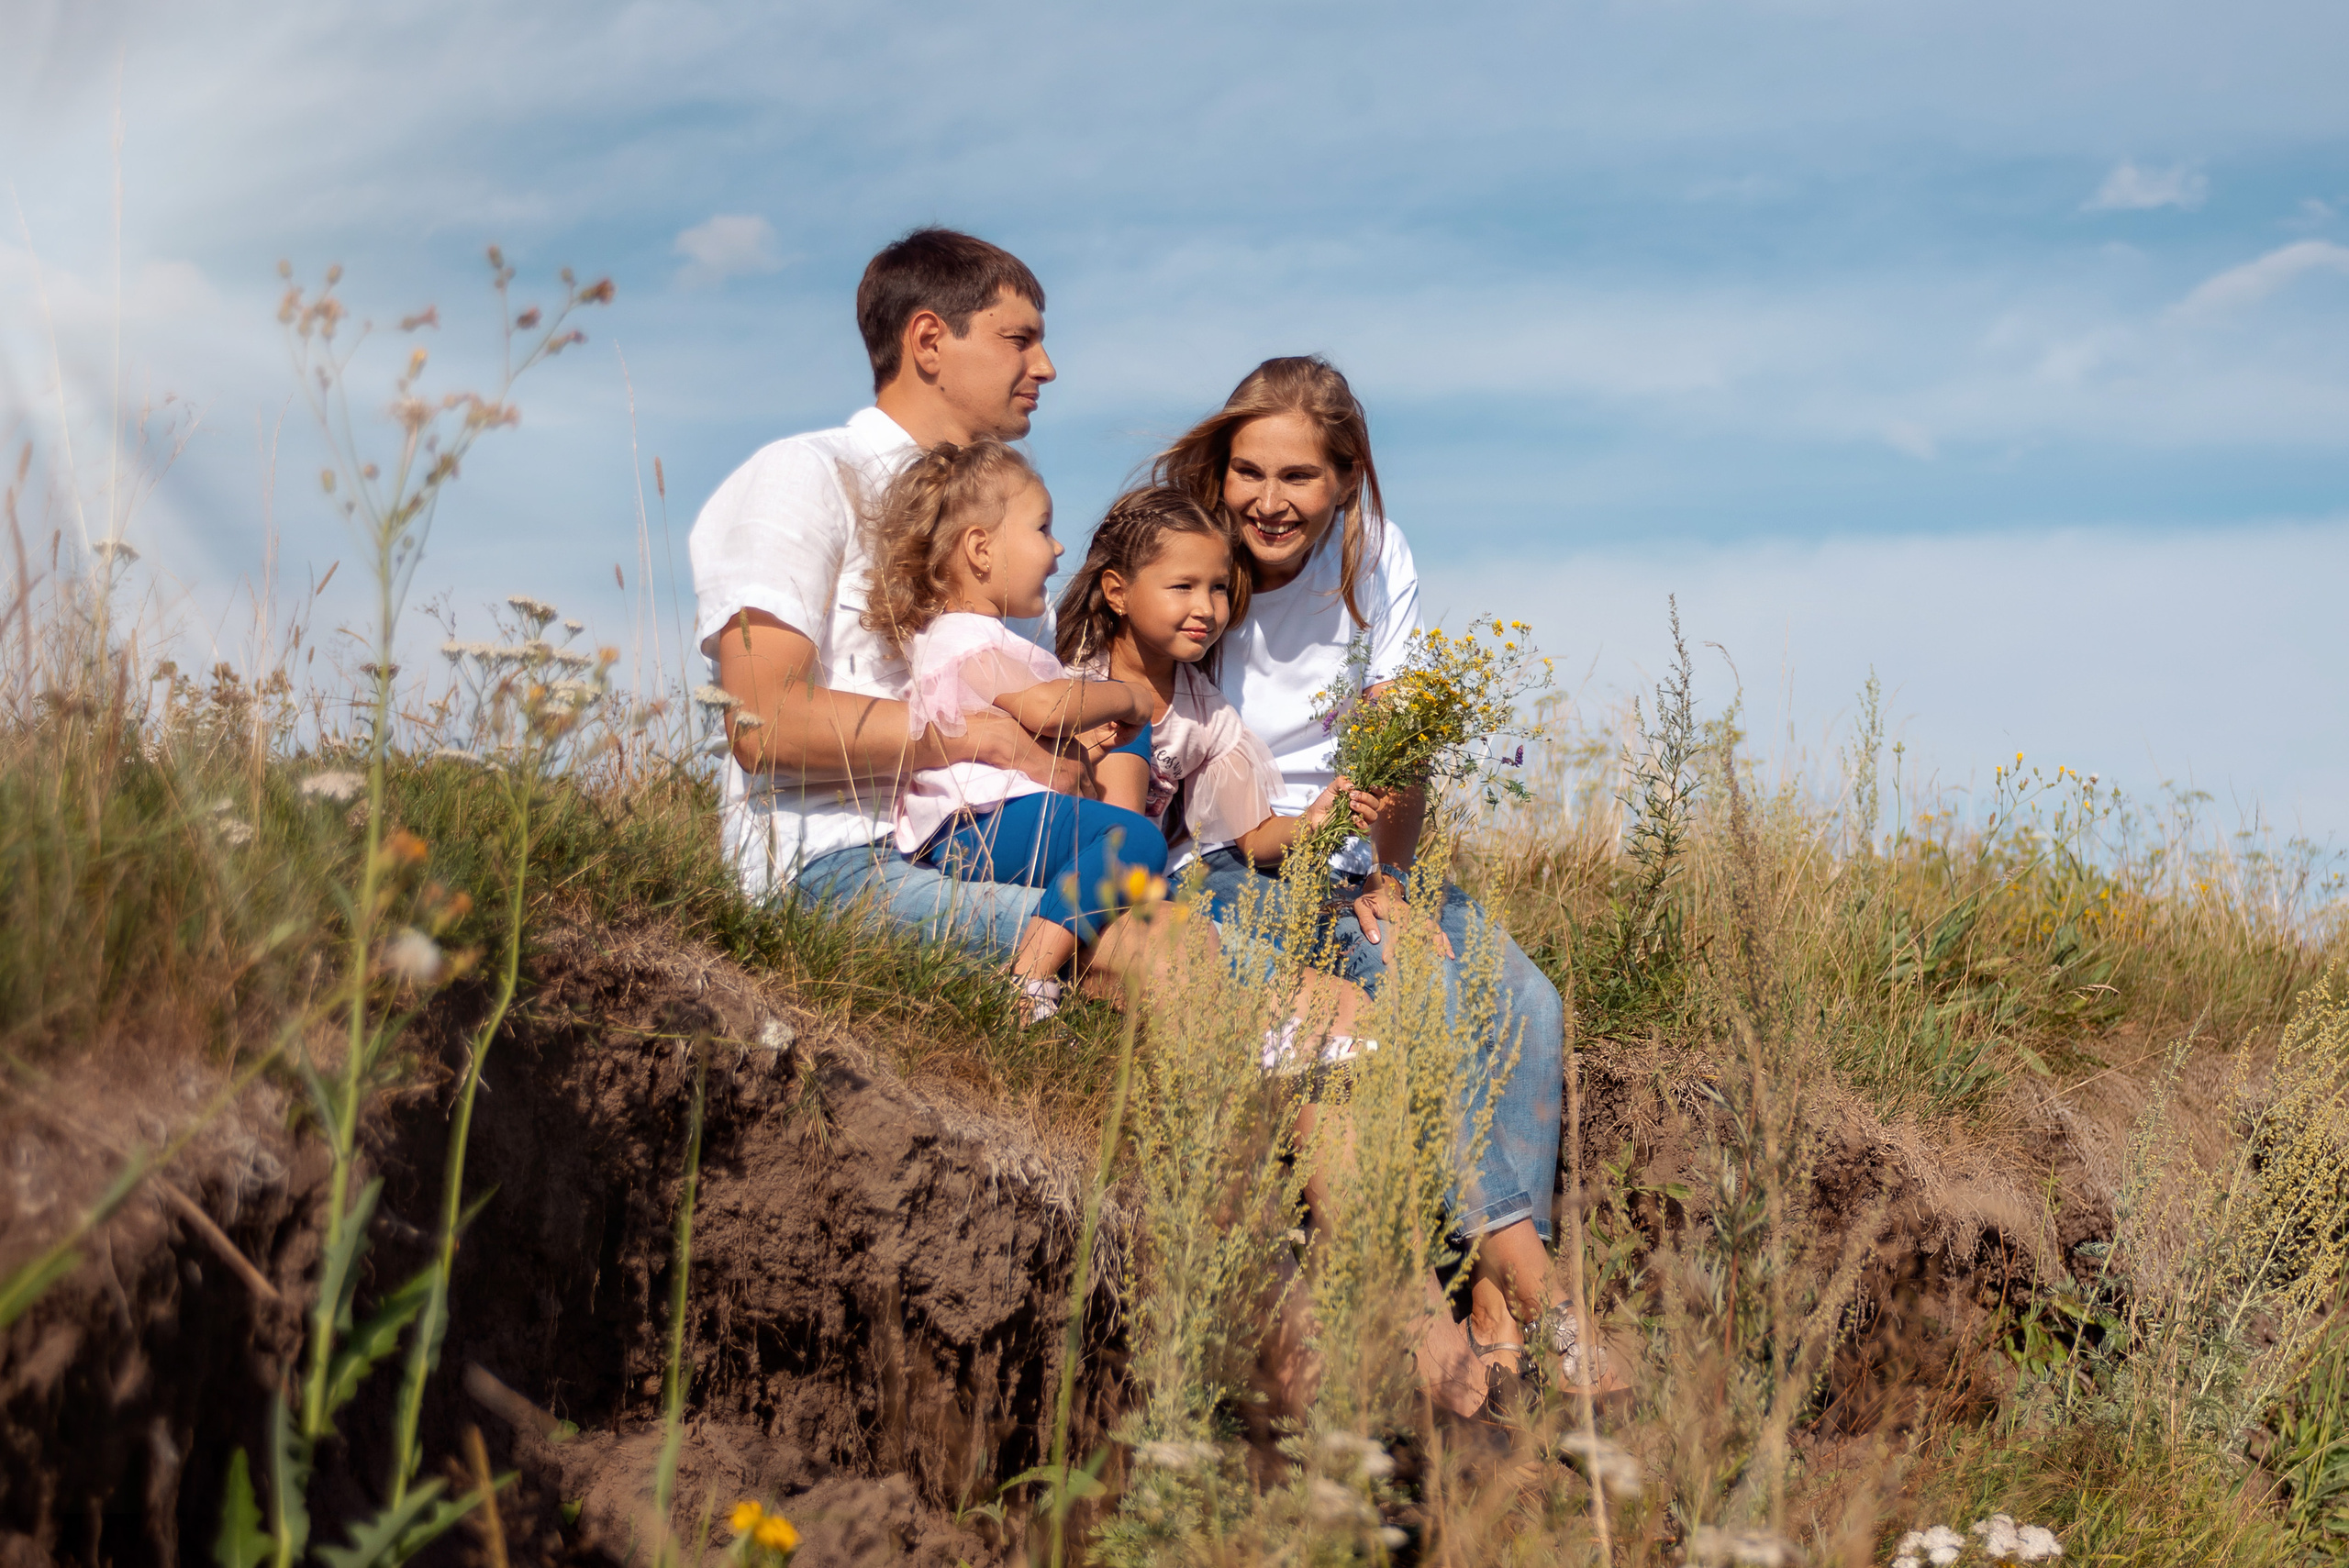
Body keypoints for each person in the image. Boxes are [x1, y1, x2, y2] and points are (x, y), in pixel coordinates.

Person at [1154, 355, 1590, 1411]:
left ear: (1345, 478)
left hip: (1356, 851)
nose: (1267, 499)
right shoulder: (1193, 553)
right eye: (1247, 470)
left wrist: (1386, 880)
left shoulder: (1375, 555)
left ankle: (1493, 1310)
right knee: (1429, 997)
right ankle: (1534, 1286)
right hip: (1233, 857)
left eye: (1297, 475)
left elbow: (1397, 745)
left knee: (1529, 1000)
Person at [691, 227, 1093, 962]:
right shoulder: (806, 475)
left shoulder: (1013, 535)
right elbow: (762, 721)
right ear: (930, 341)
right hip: (833, 865)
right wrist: (974, 736)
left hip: (989, 849)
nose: (1047, 366)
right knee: (1136, 938)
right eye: (1020, 340)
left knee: (1163, 910)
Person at [860, 438, 1166, 1023]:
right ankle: (1027, 980)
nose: (1056, 549)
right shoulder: (961, 634)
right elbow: (1047, 707)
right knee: (1135, 841)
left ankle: (1058, 982)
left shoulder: (988, 639)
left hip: (991, 822)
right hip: (974, 825)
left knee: (1132, 871)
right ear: (980, 549)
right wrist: (1129, 695)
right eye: (1042, 527)